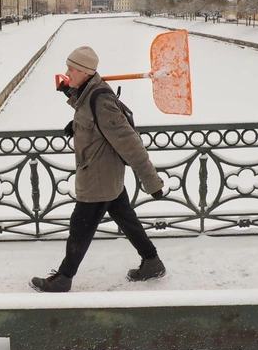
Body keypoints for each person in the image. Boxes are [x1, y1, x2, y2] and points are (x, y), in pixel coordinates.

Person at [29, 46, 166, 293]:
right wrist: (69, 96)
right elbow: (86, 109)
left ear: (84, 72)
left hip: (99, 178)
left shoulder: (101, 100)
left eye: (71, 69)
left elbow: (130, 143)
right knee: (126, 218)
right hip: (104, 173)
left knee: (80, 227)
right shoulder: (89, 93)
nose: (67, 72)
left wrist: (151, 181)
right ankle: (152, 262)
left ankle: (63, 278)